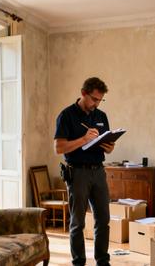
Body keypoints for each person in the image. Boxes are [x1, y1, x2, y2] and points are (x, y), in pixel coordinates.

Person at [54, 77, 115, 266]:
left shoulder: (101, 116)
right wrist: (83, 140)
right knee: (77, 222)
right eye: (94, 99)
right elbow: (58, 147)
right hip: (77, 173)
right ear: (83, 93)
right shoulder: (66, 115)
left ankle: (102, 261)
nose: (96, 104)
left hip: (99, 172)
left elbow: (108, 147)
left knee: (103, 219)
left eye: (100, 100)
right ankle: (78, 262)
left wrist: (110, 147)